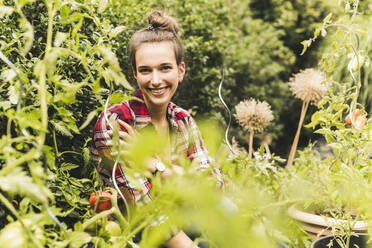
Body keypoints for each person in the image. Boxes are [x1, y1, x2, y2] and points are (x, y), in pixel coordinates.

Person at [92, 10, 223, 248]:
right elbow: (145, 209)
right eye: (145, 70)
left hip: (186, 224)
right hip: (134, 237)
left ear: (180, 71)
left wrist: (155, 166)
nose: (155, 80)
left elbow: (214, 186)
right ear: (135, 73)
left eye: (164, 68)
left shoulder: (183, 121)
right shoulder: (115, 123)